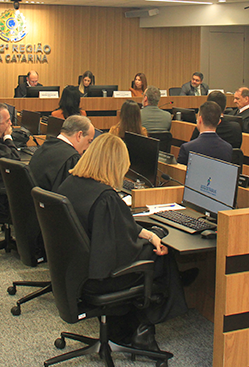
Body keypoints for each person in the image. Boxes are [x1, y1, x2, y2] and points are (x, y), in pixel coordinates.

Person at [56, 133, 188, 350]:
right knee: (160, 256)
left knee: (152, 247)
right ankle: (144, 328)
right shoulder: (106, 198)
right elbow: (120, 251)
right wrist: (154, 241)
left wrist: (148, 234)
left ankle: (142, 320)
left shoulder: (72, 183)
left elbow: (117, 228)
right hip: (99, 279)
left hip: (74, 274)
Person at [29, 115, 94, 192]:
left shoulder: (46, 146)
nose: (88, 148)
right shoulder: (71, 158)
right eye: (89, 141)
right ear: (79, 135)